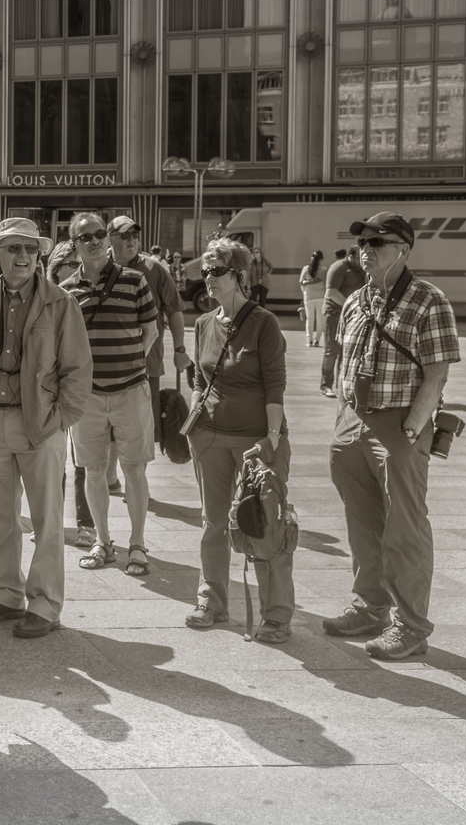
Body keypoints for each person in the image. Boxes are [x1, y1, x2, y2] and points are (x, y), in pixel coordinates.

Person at [325, 211, 460, 660]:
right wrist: (344, 415)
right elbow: (345, 362)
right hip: (353, 421)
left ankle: (412, 626)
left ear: (402, 249)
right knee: (362, 523)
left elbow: (437, 373)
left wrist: (411, 429)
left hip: (398, 424)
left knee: (405, 529)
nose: (365, 251)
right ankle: (370, 608)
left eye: (376, 244)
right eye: (361, 244)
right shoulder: (355, 300)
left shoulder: (428, 300)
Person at [0, 218, 91, 639]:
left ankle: (45, 604)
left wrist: (60, 421)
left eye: (30, 250)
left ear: (40, 256)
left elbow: (78, 368)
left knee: (47, 520)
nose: (22, 257)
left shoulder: (61, 302)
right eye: (13, 248)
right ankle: (6, 594)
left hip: (41, 425)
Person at [184, 238, 293, 643]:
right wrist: (194, 421)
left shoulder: (263, 322)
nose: (208, 279)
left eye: (217, 271)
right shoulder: (202, 323)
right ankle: (211, 602)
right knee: (213, 524)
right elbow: (199, 378)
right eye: (205, 271)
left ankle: (276, 616)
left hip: (256, 440)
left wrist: (270, 439)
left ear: (240, 276)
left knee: (264, 526)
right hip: (210, 437)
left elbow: (276, 387)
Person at [64, 213, 159, 577]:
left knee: (134, 469)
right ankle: (103, 541)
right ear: (74, 246)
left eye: (98, 234)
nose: (93, 241)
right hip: (86, 396)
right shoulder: (67, 289)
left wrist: (128, 364)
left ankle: (137, 543)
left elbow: (149, 332)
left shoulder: (135, 280)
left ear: (107, 239)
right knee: (93, 470)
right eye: (83, 237)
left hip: (130, 390)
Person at [93, 215, 187, 540]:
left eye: (135, 234)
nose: (132, 239)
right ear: (109, 239)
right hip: (104, 371)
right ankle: (109, 480)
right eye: (124, 235)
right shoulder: (98, 268)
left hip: (147, 366)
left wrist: (180, 347)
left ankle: (135, 483)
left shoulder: (154, 268)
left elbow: (174, 308)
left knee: (139, 431)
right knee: (106, 432)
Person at [320, 247, 365, 398]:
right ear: (351, 256)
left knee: (346, 353)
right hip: (334, 314)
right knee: (332, 351)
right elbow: (331, 292)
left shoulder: (360, 269)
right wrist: (350, 305)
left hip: (352, 316)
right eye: (359, 257)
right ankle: (326, 386)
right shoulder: (339, 267)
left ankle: (341, 387)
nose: (362, 260)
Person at [299, 249, 327, 347]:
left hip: (309, 295)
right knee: (320, 319)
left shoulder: (305, 269)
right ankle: (317, 340)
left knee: (310, 319)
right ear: (321, 259)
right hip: (321, 296)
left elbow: (301, 282)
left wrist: (306, 288)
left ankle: (309, 340)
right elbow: (325, 283)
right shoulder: (324, 270)